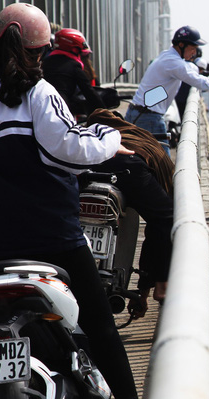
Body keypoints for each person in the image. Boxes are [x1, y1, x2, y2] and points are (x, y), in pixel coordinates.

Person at [0, 3, 144, 399]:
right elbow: (67, 150)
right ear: (40, 51)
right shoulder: (38, 92)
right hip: (49, 235)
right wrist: (113, 140)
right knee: (98, 318)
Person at [86, 108, 175, 317]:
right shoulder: (138, 135)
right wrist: (142, 293)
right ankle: (161, 285)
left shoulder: (87, 137)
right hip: (129, 170)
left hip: (90, 169)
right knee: (164, 218)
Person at [125, 25, 209, 157]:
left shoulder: (166, 56)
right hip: (149, 118)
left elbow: (189, 69)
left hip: (137, 112)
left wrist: (205, 69)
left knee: (136, 159)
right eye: (193, 48)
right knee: (164, 167)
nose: (194, 53)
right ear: (182, 45)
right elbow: (200, 82)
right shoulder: (174, 63)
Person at [41, 27, 105, 116]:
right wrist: (105, 112)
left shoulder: (44, 63)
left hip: (41, 109)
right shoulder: (74, 66)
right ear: (73, 49)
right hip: (62, 111)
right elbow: (89, 92)